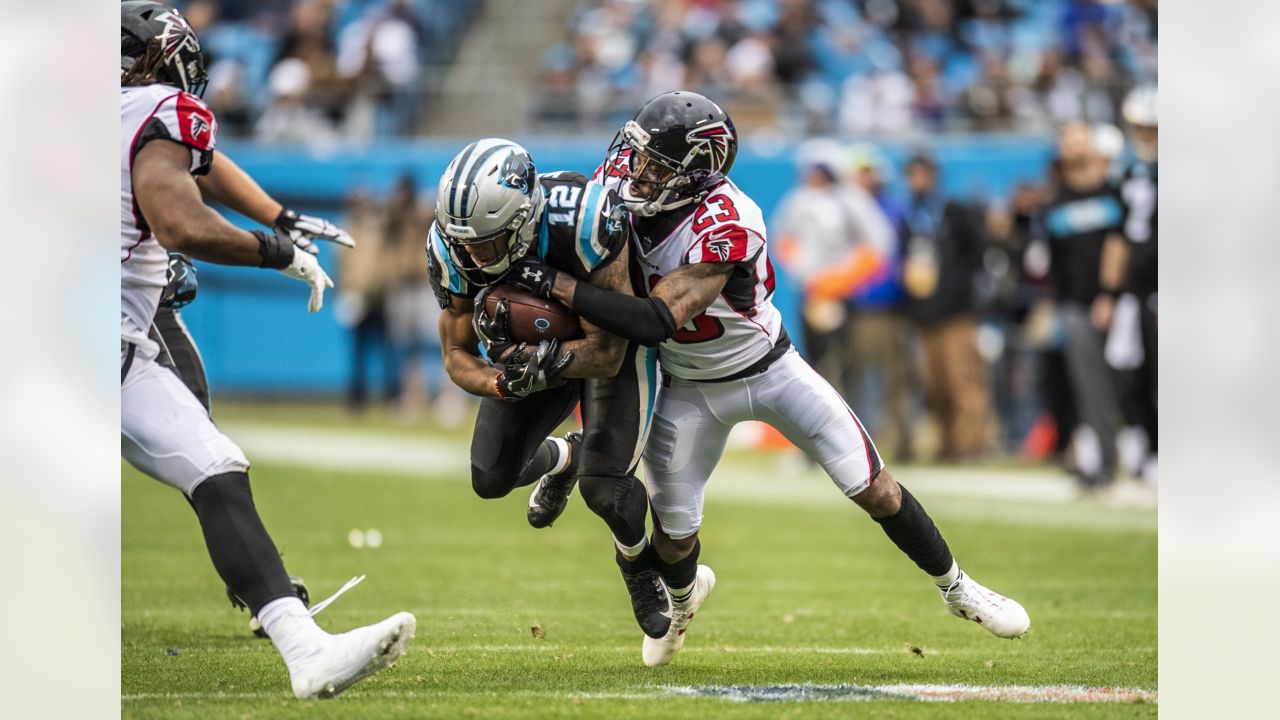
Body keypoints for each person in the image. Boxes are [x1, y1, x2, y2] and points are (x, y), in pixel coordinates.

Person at [509, 91, 1030, 667]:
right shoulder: (620, 182)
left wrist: (555, 286)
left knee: (874, 487)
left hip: (770, 370)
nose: (636, 170)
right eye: (637, 154)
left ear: (696, 174)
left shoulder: (728, 220)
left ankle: (957, 588)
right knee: (676, 536)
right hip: (686, 387)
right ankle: (683, 601)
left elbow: (658, 318)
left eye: (656, 163)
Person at [120, 2, 415, 699]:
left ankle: (304, 647)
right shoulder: (160, 108)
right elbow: (179, 219)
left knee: (216, 467)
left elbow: (198, 166)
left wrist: (277, 215)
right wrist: (273, 249)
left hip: (108, 347)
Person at [426, 139, 670, 640]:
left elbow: (608, 349)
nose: (471, 252)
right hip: (534, 355)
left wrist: (548, 360)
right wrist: (502, 379)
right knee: (490, 478)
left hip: (609, 345)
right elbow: (455, 355)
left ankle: (637, 564)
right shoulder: (452, 246)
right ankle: (564, 457)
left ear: (523, 219)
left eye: (486, 240)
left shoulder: (583, 222)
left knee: (605, 491)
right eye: (462, 240)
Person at [1040, 121, 1128, 488]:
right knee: (1088, 387)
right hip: (1075, 306)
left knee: (1133, 384)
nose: (1074, 148)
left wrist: (1111, 295)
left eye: (1080, 141)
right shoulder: (1055, 202)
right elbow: (1052, 263)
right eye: (1068, 142)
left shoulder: (1114, 192)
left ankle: (1145, 455)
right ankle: (1103, 461)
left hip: (1122, 303)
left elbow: (1123, 246)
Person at [900, 152, 995, 461]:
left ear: (933, 176)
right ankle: (947, 444)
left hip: (956, 313)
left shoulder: (953, 211)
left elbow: (979, 251)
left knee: (963, 380)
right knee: (935, 385)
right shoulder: (910, 216)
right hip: (925, 313)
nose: (916, 182)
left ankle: (972, 444)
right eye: (911, 175)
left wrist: (962, 289)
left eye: (920, 175)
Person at [1110, 85, 1157, 484]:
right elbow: (1119, 237)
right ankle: (1145, 443)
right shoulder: (1129, 172)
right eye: (1141, 127)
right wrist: (1111, 290)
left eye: (1152, 129)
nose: (1146, 136)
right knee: (1129, 374)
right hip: (1133, 291)